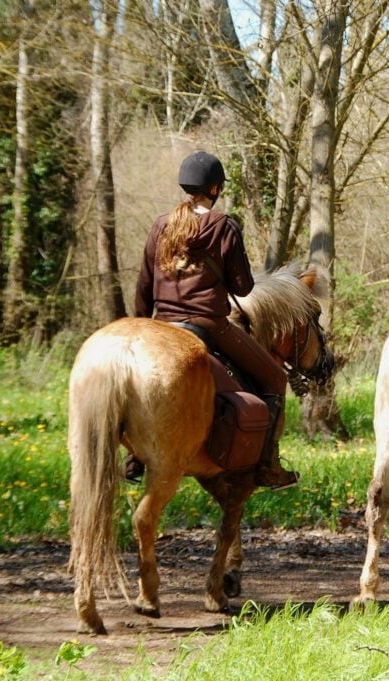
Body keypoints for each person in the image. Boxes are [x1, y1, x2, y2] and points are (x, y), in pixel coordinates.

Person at [130, 150, 298, 489]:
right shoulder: (223, 226)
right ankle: (267, 464)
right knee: (274, 380)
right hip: (208, 326)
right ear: (216, 189)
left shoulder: (161, 225)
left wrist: (141, 328)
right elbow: (244, 286)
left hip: (161, 326)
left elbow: (144, 286)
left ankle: (135, 456)